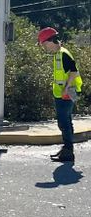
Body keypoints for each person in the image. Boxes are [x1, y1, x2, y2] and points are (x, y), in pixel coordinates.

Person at [38, 27, 82, 164]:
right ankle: (67, 149)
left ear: (51, 41)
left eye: (45, 44)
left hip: (67, 93)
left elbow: (74, 71)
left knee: (64, 123)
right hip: (64, 93)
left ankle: (68, 152)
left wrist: (66, 89)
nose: (45, 47)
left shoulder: (63, 54)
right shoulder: (58, 54)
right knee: (66, 122)